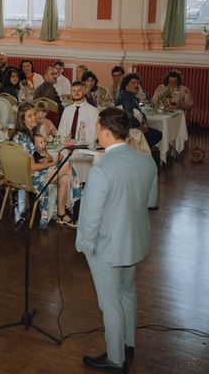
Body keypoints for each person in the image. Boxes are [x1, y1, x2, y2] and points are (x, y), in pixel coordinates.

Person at [77, 107, 158, 373]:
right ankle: (128, 342)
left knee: (109, 303)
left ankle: (115, 358)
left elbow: (90, 218)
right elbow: (150, 202)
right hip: (134, 240)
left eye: (98, 128)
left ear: (107, 132)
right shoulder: (146, 161)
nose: (96, 132)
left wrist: (85, 247)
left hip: (107, 246)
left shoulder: (102, 170)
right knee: (128, 294)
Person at [11, 103, 80, 228]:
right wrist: (54, 163)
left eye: (35, 114)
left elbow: (29, 161)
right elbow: (32, 167)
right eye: (29, 116)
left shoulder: (19, 134)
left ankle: (61, 214)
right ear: (22, 119)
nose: (34, 118)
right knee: (67, 166)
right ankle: (79, 195)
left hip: (22, 175)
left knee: (64, 179)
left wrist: (45, 160)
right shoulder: (25, 138)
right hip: (30, 179)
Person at [116, 73, 162, 148]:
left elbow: (139, 110)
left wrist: (144, 121)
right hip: (129, 130)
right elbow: (128, 115)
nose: (136, 85)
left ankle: (139, 150)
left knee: (155, 133)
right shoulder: (125, 97)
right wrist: (139, 126)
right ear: (126, 85)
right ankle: (137, 151)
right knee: (157, 135)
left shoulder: (130, 95)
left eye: (137, 83)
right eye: (133, 83)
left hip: (133, 127)